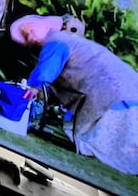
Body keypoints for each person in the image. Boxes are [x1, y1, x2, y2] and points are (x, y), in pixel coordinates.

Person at [10, 14, 138, 174]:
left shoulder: (56, 41)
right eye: (25, 36)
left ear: (43, 25)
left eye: (29, 30)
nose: (29, 35)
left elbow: (47, 70)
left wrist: (34, 87)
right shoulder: (69, 42)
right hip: (127, 90)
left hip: (113, 94)